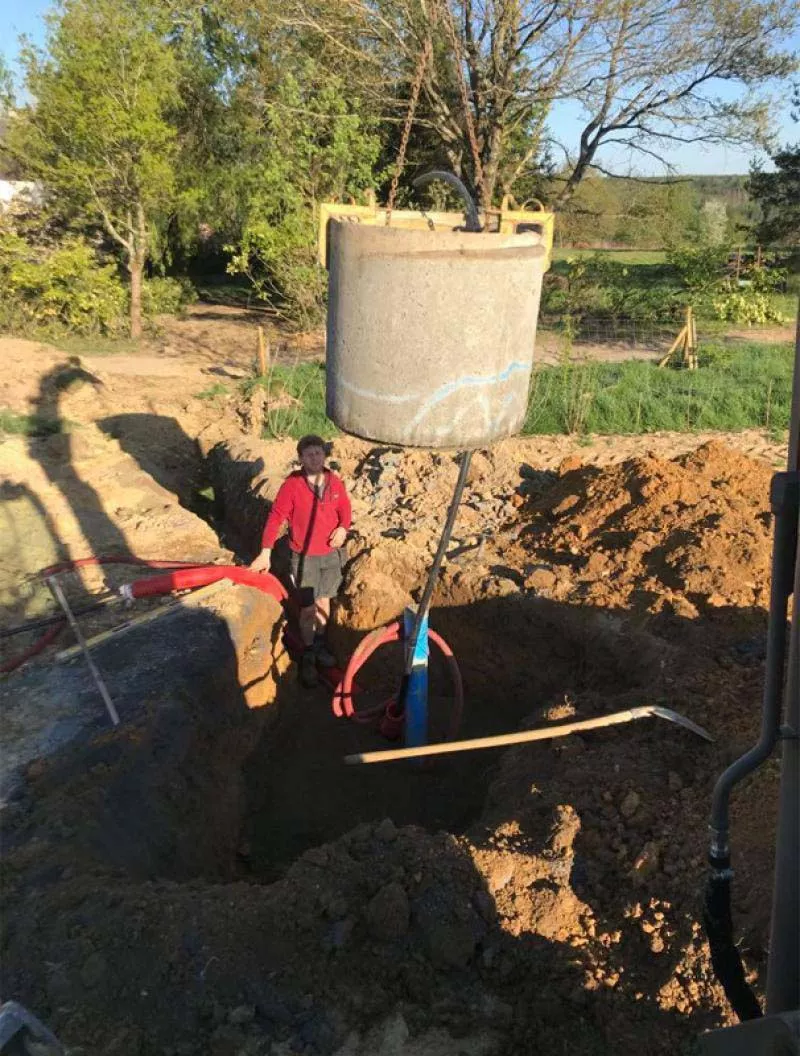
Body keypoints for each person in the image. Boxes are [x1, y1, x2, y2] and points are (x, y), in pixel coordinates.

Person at [251, 435, 351, 686]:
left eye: (318, 453)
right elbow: (276, 518)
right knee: (307, 610)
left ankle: (319, 645)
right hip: (304, 557)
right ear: (301, 459)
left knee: (324, 603)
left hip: (329, 555)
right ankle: (308, 652)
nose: (314, 458)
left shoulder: (333, 482)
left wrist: (343, 529)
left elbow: (345, 510)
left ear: (324, 457)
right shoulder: (292, 485)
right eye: (309, 455)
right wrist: (266, 551)